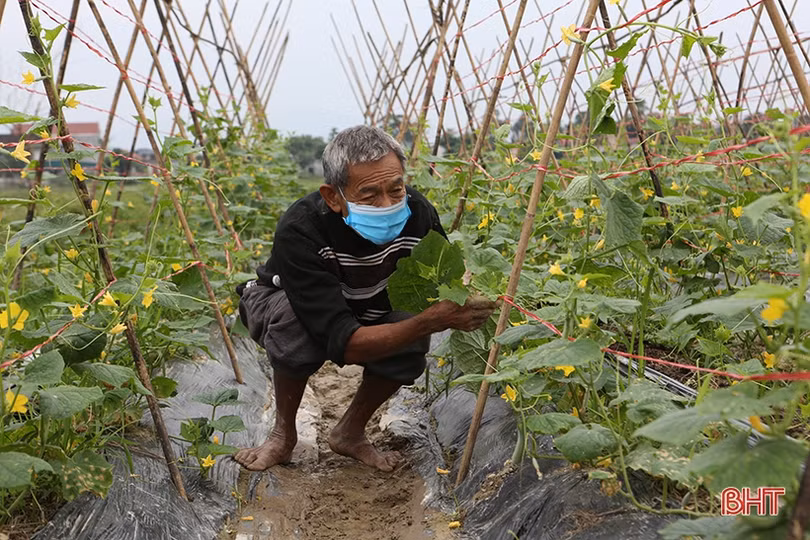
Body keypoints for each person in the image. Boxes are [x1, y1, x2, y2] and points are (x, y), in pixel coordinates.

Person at [234, 126, 496, 472]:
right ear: (333, 197)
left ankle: (350, 432)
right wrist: (431, 320)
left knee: (409, 327)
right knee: (295, 325)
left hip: (372, 299)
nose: (387, 204)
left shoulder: (418, 213)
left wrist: (469, 291)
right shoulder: (302, 228)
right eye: (369, 195)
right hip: (288, 303)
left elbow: (444, 280)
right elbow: (343, 341)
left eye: (396, 189)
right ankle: (283, 435)